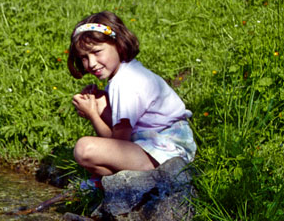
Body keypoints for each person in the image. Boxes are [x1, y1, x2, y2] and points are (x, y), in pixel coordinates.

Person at [67, 11, 196, 180]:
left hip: (167, 151)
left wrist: (92, 114)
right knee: (99, 102)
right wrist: (96, 102)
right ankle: (116, 180)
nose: (91, 63)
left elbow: (119, 144)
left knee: (84, 149)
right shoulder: (125, 72)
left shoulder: (126, 83)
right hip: (152, 143)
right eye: (84, 57)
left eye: (97, 52)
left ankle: (128, 180)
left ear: (118, 45)